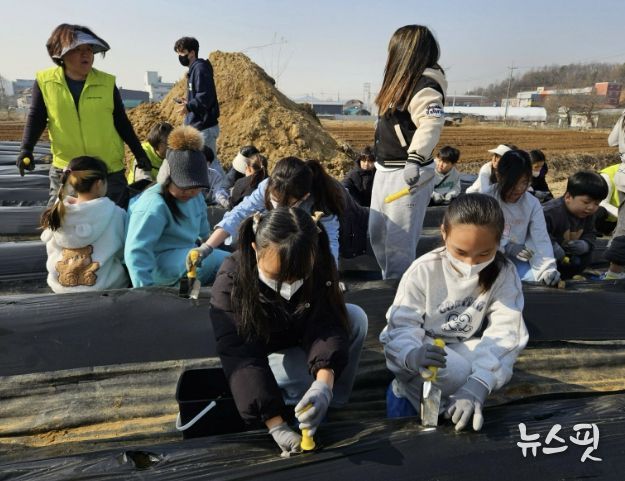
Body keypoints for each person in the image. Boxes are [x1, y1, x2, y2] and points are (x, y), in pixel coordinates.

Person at [209, 207, 368, 455]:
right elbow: (241, 354)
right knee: (297, 380)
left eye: (297, 276)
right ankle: (292, 403)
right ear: (255, 249)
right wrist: (276, 425)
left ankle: (327, 402)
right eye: (277, 275)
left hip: (299, 338)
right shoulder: (232, 279)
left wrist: (323, 385)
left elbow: (326, 324)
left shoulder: (320, 263)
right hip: (265, 353)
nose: (289, 284)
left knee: (355, 318)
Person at [380, 194, 528, 431]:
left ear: (499, 241)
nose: (470, 264)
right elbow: (402, 325)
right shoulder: (424, 270)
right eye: (460, 252)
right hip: (423, 345)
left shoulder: (503, 272)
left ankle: (453, 404)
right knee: (458, 372)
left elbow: (507, 330)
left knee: (487, 364)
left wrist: (478, 385)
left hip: (457, 344)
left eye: (483, 254)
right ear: (444, 233)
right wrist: (411, 355)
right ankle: (405, 390)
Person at [17, 23, 149, 208]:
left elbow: (121, 121)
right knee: (62, 222)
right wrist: (26, 149)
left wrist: (139, 153)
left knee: (112, 221)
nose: (85, 54)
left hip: (107, 171)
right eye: (78, 49)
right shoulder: (45, 82)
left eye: (89, 49)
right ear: (61, 54)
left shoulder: (106, 82)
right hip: (69, 170)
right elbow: (36, 118)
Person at [369, 25, 447, 280]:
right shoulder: (400, 83)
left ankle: (398, 288)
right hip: (385, 170)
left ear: (406, 52)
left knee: (399, 239)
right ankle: (391, 278)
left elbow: (431, 123)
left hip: (407, 173)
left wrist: (415, 158)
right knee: (378, 231)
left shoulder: (424, 85)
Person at [125, 126, 229, 287]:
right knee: (222, 262)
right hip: (157, 266)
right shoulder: (153, 204)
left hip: (183, 258)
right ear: (167, 178)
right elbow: (136, 252)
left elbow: (203, 232)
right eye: (184, 187)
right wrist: (145, 291)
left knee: (224, 262)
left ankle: (184, 294)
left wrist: (208, 244)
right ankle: (178, 292)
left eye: (196, 188)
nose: (190, 193)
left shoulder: (196, 198)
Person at [201, 156, 344, 263]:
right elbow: (238, 214)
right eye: (274, 199)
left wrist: (331, 277)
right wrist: (207, 247)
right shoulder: (267, 186)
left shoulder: (322, 202)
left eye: (285, 203)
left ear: (304, 197)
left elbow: (330, 243)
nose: (277, 206)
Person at [40, 156, 128, 293]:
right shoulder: (116, 214)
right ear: (99, 183)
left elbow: (50, 249)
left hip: (61, 289)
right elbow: (123, 253)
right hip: (107, 288)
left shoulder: (57, 212)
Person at [485, 150, 560, 286]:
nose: (519, 189)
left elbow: (540, 238)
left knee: (535, 278)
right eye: (513, 183)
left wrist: (548, 269)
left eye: (524, 182)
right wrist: (506, 246)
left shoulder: (532, 204)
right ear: (499, 176)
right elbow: (479, 238)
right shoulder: (486, 199)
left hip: (517, 260)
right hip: (487, 258)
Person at [543, 171, 607, 279]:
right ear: (568, 197)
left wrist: (585, 244)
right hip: (546, 262)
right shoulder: (550, 212)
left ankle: (571, 275)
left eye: (596, 203)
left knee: (589, 254)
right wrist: (552, 247)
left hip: (569, 258)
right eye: (586, 202)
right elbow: (537, 233)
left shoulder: (588, 214)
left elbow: (590, 233)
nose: (591, 207)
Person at [173, 36, 221, 165]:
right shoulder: (195, 69)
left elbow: (205, 96)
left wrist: (189, 107)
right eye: (178, 53)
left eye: (182, 52)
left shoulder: (200, 69)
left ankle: (220, 180)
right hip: (198, 127)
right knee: (203, 165)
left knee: (209, 165)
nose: (179, 56)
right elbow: (200, 94)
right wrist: (188, 101)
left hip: (204, 127)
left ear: (192, 53)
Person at [603, 112, 625, 280]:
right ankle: (614, 272)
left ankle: (615, 270)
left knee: (623, 225)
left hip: (623, 176)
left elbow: (612, 141)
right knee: (624, 229)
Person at [595, 163, 622, 236]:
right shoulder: (607, 176)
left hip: (616, 222)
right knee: (600, 210)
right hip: (600, 218)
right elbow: (602, 203)